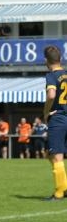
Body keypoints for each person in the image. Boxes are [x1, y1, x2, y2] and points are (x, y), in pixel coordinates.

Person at [43, 45, 67, 200]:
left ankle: (60, 192)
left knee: (56, 156)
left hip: (58, 118)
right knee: (50, 154)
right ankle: (64, 188)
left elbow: (51, 95)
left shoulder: (52, 75)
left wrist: (46, 112)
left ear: (46, 60)